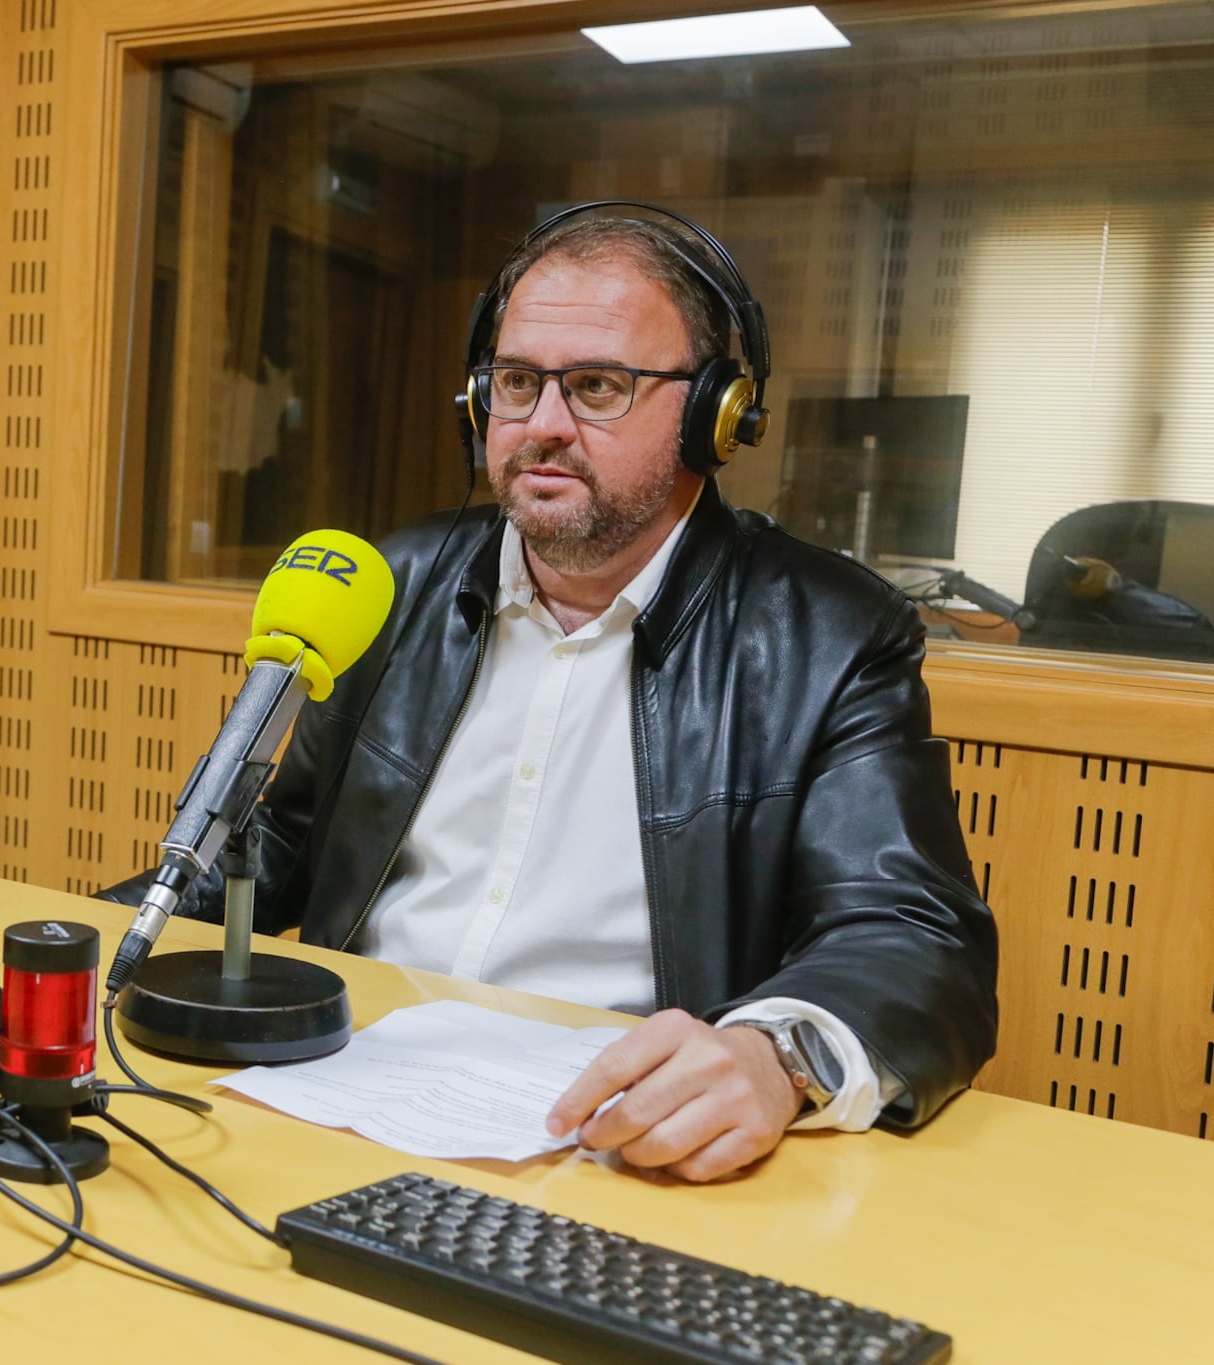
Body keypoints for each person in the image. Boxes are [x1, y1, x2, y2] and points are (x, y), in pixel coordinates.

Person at [104, 209, 998, 1182]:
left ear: (714, 413)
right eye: (518, 383)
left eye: (598, 387)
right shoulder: (392, 585)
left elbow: (911, 936)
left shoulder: (824, 634)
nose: (543, 426)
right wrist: (95, 945)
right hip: (343, 1097)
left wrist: (773, 1058)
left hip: (618, 1143)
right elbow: (275, 840)